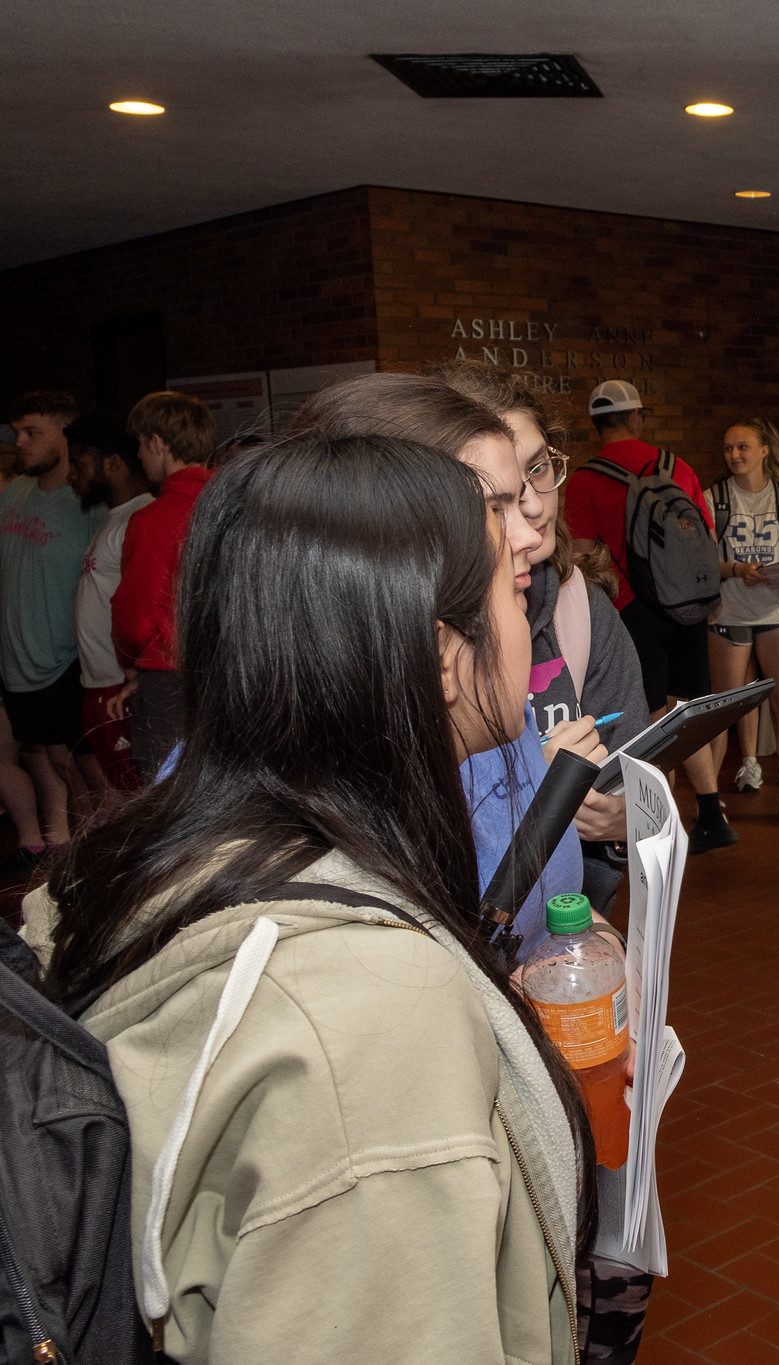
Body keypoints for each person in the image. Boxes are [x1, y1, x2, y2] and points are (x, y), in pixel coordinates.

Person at [28, 433, 587, 1363]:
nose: (526, 608)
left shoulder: (160, 851)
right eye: (513, 592)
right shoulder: (369, 1018)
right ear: (444, 659)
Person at [289, 372, 594, 943]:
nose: (528, 531)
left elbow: (548, 899)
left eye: (532, 480)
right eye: (492, 510)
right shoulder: (317, 855)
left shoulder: (488, 689)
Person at [436, 363, 646, 909]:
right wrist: (536, 784)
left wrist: (627, 821)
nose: (534, 508)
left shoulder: (582, 609)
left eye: (539, 470)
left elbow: (639, 779)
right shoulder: (408, 636)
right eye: (496, 500)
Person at [563, 379, 734, 853]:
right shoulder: (676, 467)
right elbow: (707, 539)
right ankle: (711, 811)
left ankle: (660, 819)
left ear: (596, 424)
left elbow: (580, 555)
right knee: (685, 710)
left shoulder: (584, 480)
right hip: (687, 605)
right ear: (637, 416)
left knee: (650, 717)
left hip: (629, 609)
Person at [1, 391, 105, 849]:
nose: (19, 442)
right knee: (38, 755)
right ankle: (56, 847)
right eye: (16, 433)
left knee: (77, 764)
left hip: (66, 658)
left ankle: (94, 855)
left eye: (31, 433)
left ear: (64, 436)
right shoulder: (15, 492)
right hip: (17, 657)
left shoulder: (87, 503)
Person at [707, 418, 779, 825]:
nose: (735, 455)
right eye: (729, 448)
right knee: (722, 708)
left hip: (774, 614)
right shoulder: (713, 498)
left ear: (763, 450)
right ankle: (709, 799)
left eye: (743, 447)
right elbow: (703, 563)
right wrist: (736, 568)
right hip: (729, 613)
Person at [111, 390, 215, 779]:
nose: (138, 454)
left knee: (167, 791)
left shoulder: (154, 519)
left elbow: (134, 617)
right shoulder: (242, 505)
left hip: (171, 679)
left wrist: (131, 667)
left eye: (140, 443)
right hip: (235, 673)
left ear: (158, 442)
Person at [67, 415, 153, 793]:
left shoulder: (140, 519)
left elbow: (146, 609)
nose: (71, 474)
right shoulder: (111, 520)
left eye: (79, 463)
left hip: (123, 688)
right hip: (98, 684)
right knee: (119, 793)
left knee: (140, 793)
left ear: (113, 463)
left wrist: (133, 678)